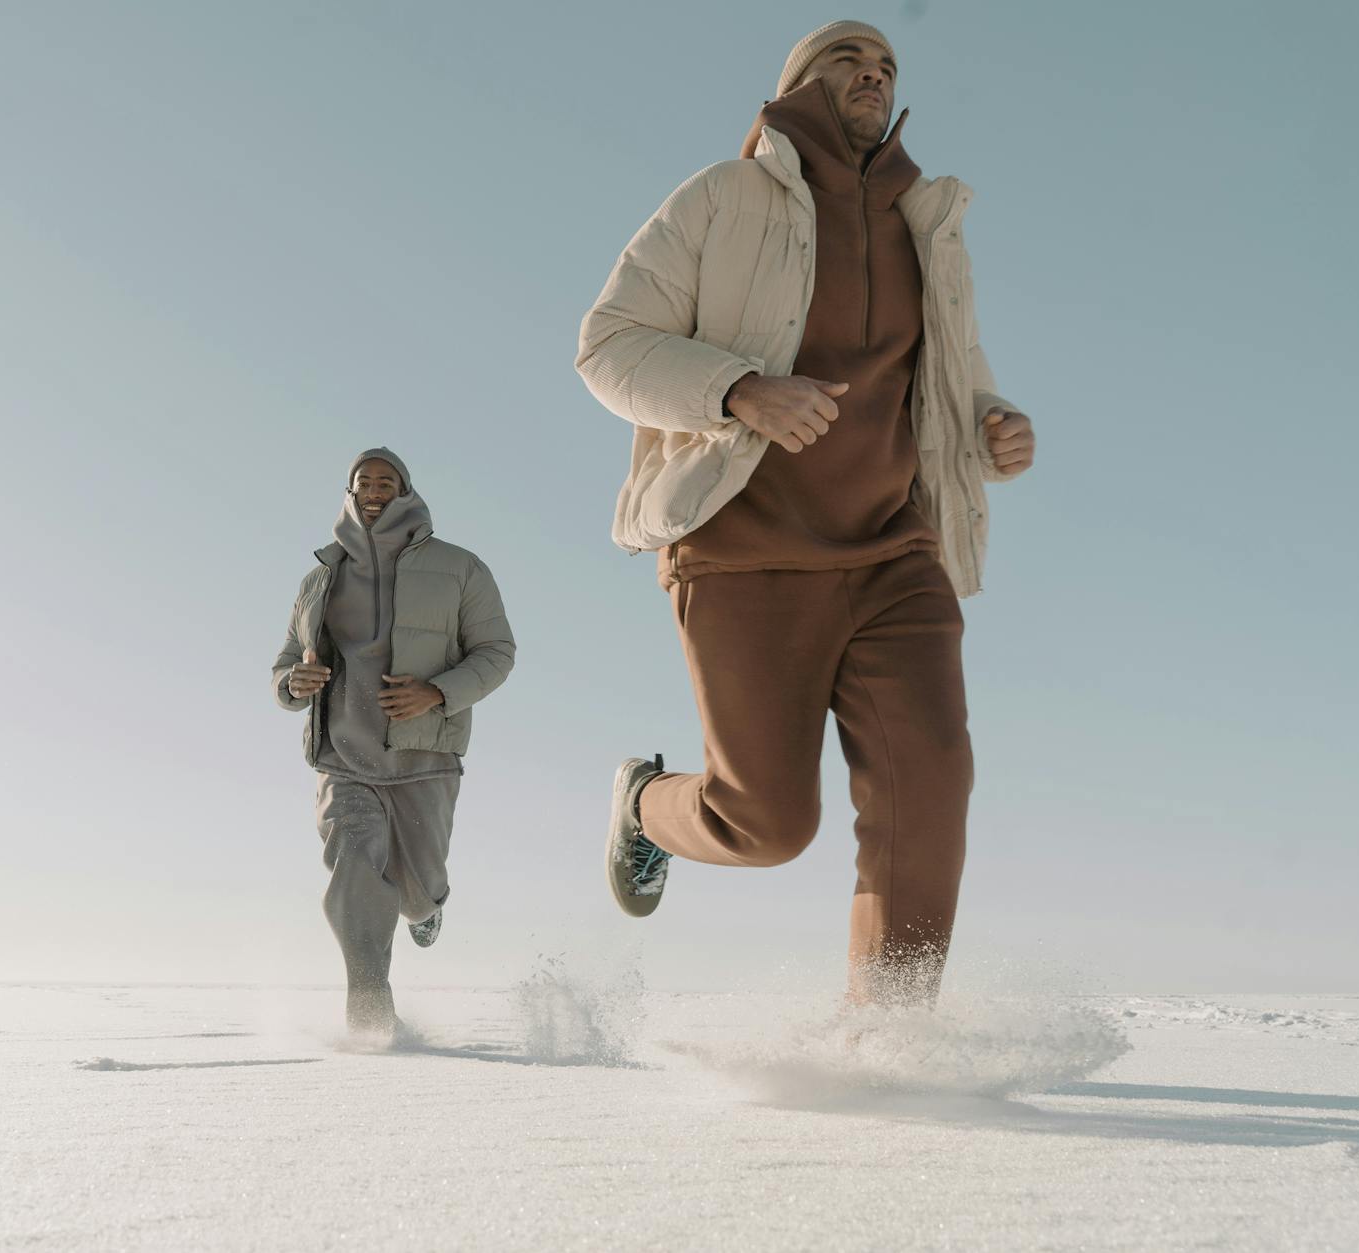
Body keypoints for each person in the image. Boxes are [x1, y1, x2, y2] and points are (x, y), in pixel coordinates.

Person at [574, 21, 1038, 1006]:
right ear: (797, 84)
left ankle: (887, 1047)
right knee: (766, 824)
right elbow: (608, 344)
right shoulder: (722, 197)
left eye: (885, 66)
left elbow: (952, 371)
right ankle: (645, 807)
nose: (872, 72)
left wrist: (992, 424)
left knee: (929, 787)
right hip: (743, 550)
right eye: (847, 58)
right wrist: (737, 389)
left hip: (891, 552)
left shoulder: (925, 221)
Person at [271, 449, 515, 1037]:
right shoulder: (320, 578)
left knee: (417, 889)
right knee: (354, 868)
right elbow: (286, 662)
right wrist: (291, 683)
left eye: (387, 481)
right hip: (343, 755)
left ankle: (427, 909)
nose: (375, 490)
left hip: (425, 757)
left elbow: (497, 654)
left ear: (407, 491)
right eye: (364, 482)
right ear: (349, 494)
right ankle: (371, 1007)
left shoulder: (460, 568)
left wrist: (436, 692)